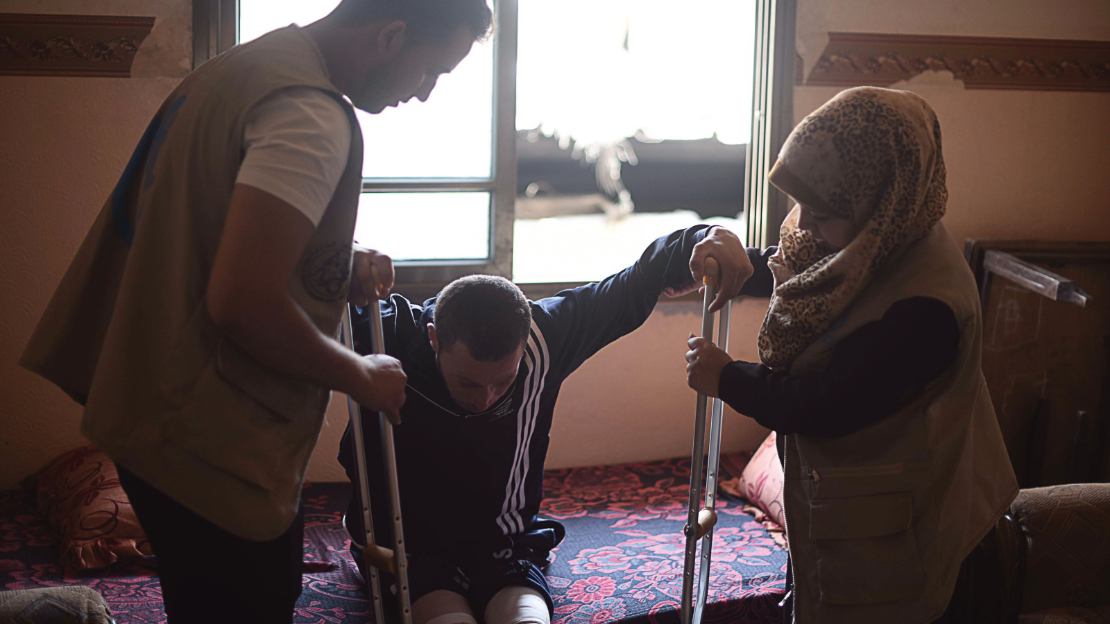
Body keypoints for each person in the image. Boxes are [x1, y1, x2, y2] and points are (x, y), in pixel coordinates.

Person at [19, 1, 493, 622]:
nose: (427, 93)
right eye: (434, 70)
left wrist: (334, 258)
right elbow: (244, 303)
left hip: (145, 409)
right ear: (392, 35)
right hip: (210, 443)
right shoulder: (311, 114)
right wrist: (360, 374)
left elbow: (210, 220)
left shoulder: (245, 69)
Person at [684, 87, 1019, 623]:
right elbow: (816, 270)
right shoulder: (879, 238)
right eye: (803, 205)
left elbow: (827, 405)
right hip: (849, 514)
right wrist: (743, 265)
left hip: (899, 543)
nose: (806, 224)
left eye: (823, 211)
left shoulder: (926, 310)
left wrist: (727, 378)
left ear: (880, 201)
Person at [339, 224, 756, 624]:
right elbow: (305, 289)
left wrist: (707, 238)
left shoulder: (548, 336)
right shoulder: (388, 332)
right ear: (434, 339)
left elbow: (638, 281)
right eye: (468, 381)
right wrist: (345, 254)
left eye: (504, 381)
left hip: (505, 543)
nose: (485, 398)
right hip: (409, 544)